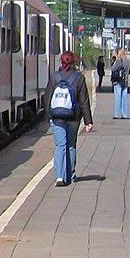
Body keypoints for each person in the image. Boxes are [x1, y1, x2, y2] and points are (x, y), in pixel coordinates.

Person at [44, 51, 93, 186]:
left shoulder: (54, 77)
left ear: (61, 62)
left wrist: (48, 116)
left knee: (60, 146)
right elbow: (84, 101)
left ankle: (59, 177)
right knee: (71, 146)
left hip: (57, 117)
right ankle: (70, 175)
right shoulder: (79, 77)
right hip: (74, 117)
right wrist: (88, 122)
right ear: (73, 62)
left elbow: (47, 97)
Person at [110, 49, 130, 119]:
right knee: (124, 98)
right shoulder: (128, 61)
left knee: (118, 97)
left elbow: (113, 69)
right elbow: (129, 71)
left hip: (117, 81)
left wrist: (115, 61)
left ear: (118, 54)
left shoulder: (119, 61)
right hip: (125, 81)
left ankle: (117, 114)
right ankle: (125, 114)